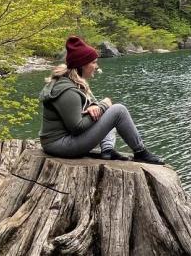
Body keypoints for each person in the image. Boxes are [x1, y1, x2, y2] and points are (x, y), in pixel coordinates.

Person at [38, 36, 163, 164]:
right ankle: (140, 152)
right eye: (93, 62)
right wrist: (102, 106)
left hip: (60, 142)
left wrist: (94, 106)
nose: (97, 66)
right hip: (61, 145)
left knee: (108, 111)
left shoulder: (68, 83)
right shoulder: (67, 91)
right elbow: (76, 127)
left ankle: (107, 151)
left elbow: (76, 113)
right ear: (82, 65)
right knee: (118, 111)